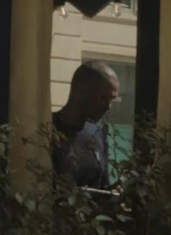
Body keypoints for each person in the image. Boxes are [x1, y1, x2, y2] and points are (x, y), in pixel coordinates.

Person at [52, 60, 121, 189]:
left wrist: (111, 195)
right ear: (81, 91)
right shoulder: (47, 129)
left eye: (111, 100)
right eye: (103, 98)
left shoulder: (98, 134)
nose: (108, 107)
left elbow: (101, 185)